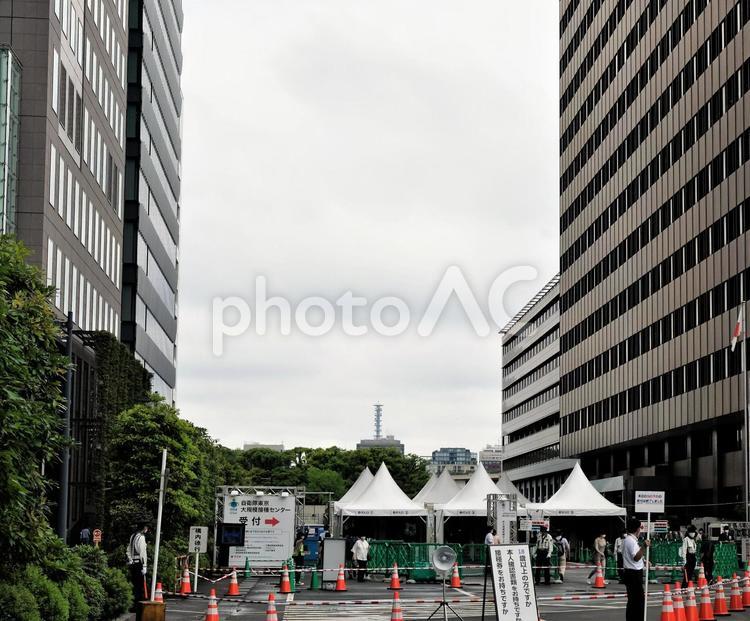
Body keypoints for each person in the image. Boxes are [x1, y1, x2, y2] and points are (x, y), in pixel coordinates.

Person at [623, 518, 650, 621]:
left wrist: (644, 561)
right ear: (637, 529)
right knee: (638, 601)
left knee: (632, 601)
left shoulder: (627, 540)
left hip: (630, 572)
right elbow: (635, 557)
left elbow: (632, 558)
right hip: (634, 574)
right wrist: (644, 546)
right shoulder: (631, 541)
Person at [126, 521, 149, 606]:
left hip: (132, 563)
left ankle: (132, 604)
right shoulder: (141, 537)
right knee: (139, 586)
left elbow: (128, 550)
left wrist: (130, 559)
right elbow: (142, 552)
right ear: (143, 528)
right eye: (146, 527)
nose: (147, 529)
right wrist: (144, 566)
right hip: (139, 563)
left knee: (134, 584)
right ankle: (137, 605)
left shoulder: (132, 536)